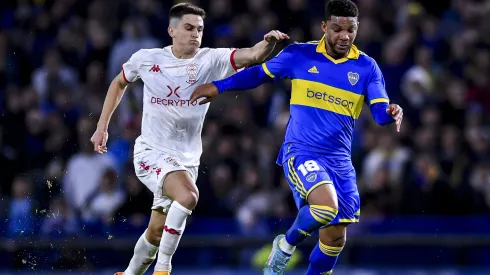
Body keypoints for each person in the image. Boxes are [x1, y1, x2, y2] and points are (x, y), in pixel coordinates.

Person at [189, 0, 404, 274]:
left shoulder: (366, 67)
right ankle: (285, 246)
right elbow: (258, 74)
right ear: (324, 26)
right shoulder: (299, 55)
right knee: (325, 208)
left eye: (350, 30)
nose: (344, 36)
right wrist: (219, 87)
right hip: (302, 152)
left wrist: (391, 112)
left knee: (335, 238)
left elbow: (379, 113)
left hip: (340, 162)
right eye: (337, 29)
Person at [90, 3, 289, 275]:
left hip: (187, 159)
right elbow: (119, 82)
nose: (195, 34)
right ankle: (163, 268)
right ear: (171, 30)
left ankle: (129, 273)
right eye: (188, 28)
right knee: (188, 195)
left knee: (157, 231)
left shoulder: (210, 59)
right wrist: (102, 127)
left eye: (199, 29)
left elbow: (253, 55)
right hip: (151, 152)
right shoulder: (147, 58)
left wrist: (268, 43)